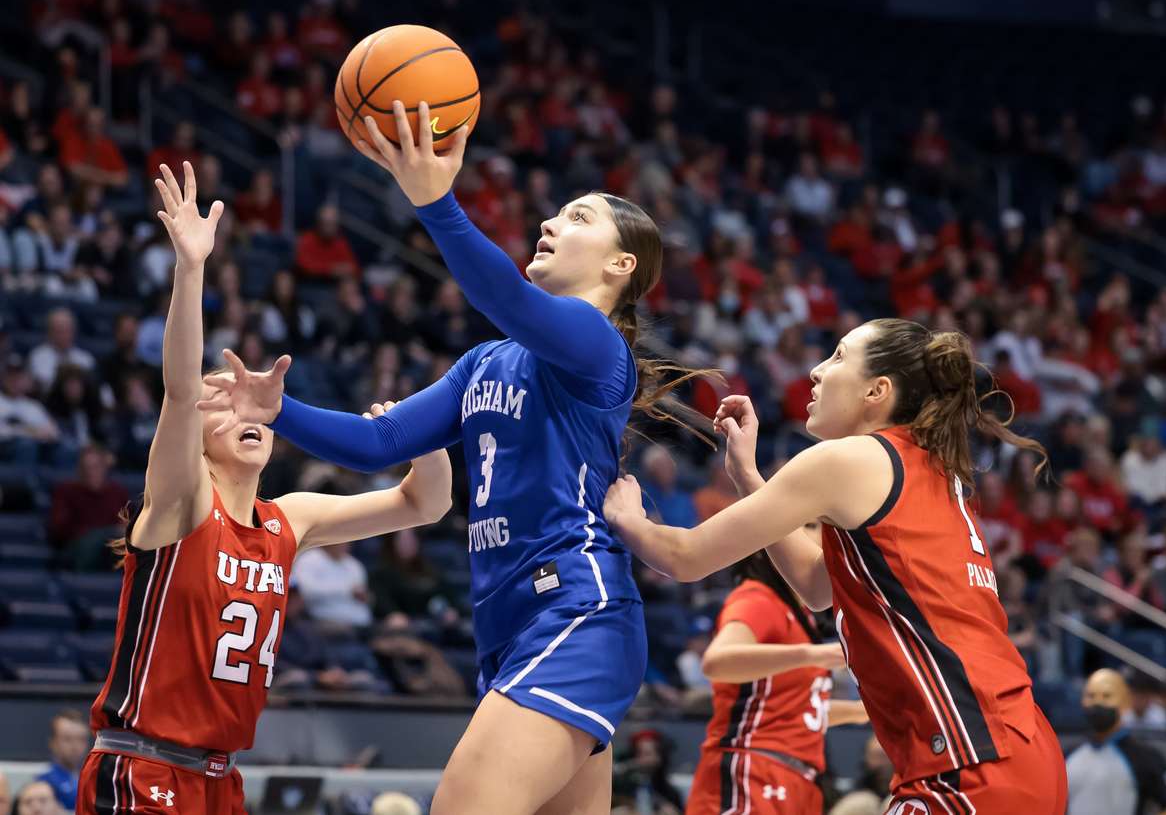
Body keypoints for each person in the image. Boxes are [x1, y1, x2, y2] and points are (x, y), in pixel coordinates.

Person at [203, 103, 708, 814]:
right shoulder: (485, 362)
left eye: (578, 218)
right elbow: (381, 442)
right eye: (556, 215)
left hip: (572, 607)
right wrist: (276, 410)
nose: (551, 224)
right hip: (506, 624)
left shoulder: (599, 347)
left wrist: (435, 201)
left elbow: (499, 293)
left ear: (620, 265)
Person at [76, 163, 452, 814]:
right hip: (143, 766)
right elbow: (179, 389)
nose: (246, 417)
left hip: (222, 780)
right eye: (226, 408)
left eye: (256, 413)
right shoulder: (185, 502)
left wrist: (419, 433)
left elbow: (426, 503)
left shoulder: (290, 519)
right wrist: (191, 268)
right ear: (193, 438)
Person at [604, 319, 1069, 814]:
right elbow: (817, 586)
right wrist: (746, 476)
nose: (817, 370)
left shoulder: (849, 460)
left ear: (877, 390)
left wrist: (627, 519)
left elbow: (686, 557)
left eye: (839, 357)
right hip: (1017, 750)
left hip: (968, 762)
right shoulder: (931, 470)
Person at [686, 550, 867, 814]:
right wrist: (816, 654)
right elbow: (717, 660)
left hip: (797, 778)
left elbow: (797, 711)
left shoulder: (799, 615)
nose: (819, 542)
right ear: (765, 550)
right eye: (810, 527)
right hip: (754, 767)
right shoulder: (758, 598)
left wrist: (862, 712)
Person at [1066, 669, 1166, 815]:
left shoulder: (1145, 757)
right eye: (1091, 696)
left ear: (1125, 701)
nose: (1098, 703)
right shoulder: (1067, 755)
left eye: (1107, 696)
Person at [37, 709, 87, 810]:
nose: (75, 746)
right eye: (67, 739)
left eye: (81, 739)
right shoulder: (44, 783)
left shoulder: (98, 779)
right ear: (53, 743)